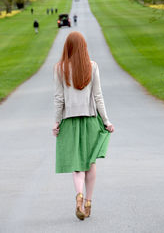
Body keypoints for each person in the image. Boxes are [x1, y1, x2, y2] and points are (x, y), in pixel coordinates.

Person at [53, 31, 114, 221]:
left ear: (67, 47)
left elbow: (59, 99)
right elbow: (98, 97)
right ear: (84, 46)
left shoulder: (60, 68)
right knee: (90, 162)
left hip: (70, 121)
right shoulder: (92, 66)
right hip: (89, 120)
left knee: (76, 164)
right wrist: (106, 121)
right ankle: (88, 202)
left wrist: (56, 121)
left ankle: (78, 197)